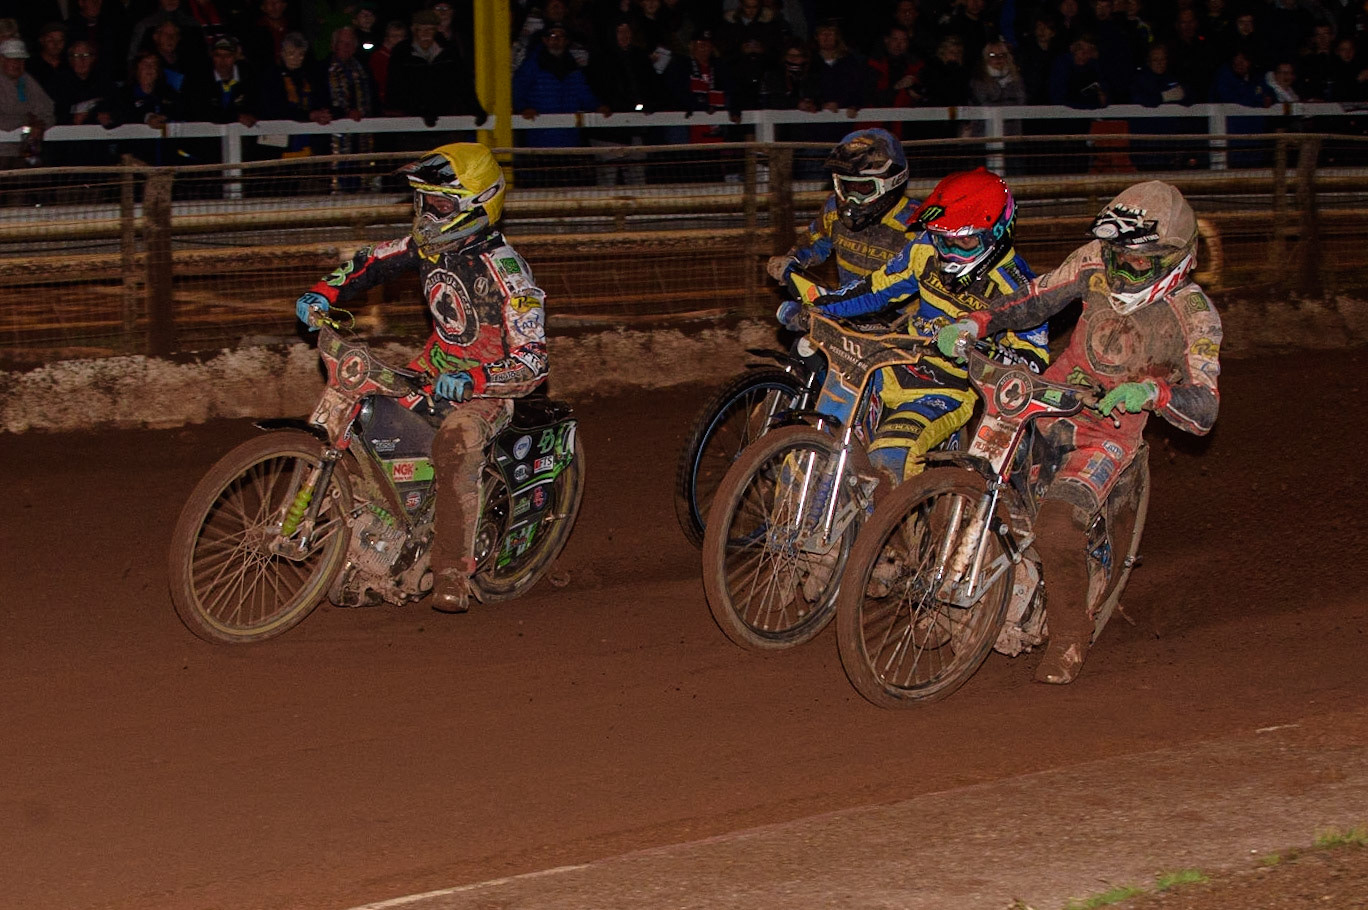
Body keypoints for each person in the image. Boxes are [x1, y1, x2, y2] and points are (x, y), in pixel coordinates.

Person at [936, 181, 1221, 684]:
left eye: (1137, 260)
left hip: (1110, 429)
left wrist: (1154, 393)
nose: (1121, 267)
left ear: (1173, 259)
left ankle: (1070, 636)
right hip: (1048, 397)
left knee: (1057, 525)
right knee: (967, 479)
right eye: (1116, 254)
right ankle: (943, 593)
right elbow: (1035, 298)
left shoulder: (1195, 316)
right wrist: (977, 322)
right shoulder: (1093, 262)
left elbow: (1205, 409)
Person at [293, 143, 548, 614]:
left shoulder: (509, 275)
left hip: (486, 386)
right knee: (366, 418)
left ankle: (450, 570)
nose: (427, 215)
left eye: (440, 205)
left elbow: (533, 359)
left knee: (456, 442)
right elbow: (370, 261)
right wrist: (324, 292)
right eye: (424, 202)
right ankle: (378, 544)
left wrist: (474, 380)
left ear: (477, 205)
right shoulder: (427, 248)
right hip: (431, 368)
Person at [779, 167, 1049, 484]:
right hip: (892, 362)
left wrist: (976, 347)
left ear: (997, 233)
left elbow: (1033, 362)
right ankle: (795, 507)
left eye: (963, 242)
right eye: (942, 238)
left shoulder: (1019, 287)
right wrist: (814, 308)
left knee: (890, 459)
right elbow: (874, 290)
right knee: (821, 428)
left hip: (947, 387)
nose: (948, 252)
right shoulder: (924, 247)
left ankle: (889, 515)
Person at [767, 128, 920, 289]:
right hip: (846, 301)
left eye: (863, 187)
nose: (852, 198)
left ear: (892, 183)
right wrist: (794, 259)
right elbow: (816, 241)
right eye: (847, 186)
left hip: (900, 304)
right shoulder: (833, 209)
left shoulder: (916, 227)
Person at [0, 38, 55, 168]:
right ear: (1, 60)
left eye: (21, 59)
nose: (17, 63)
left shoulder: (28, 81)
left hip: (27, 152)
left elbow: (47, 111)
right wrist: (27, 121)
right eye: (12, 59)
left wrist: (39, 124)